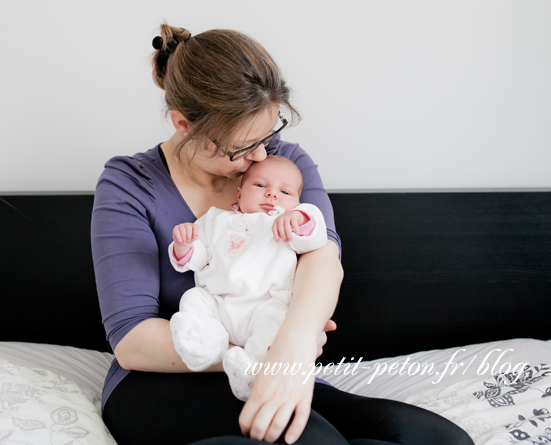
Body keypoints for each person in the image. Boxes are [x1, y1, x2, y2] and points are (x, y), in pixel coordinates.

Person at [91, 23, 473, 445]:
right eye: (241, 148)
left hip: (278, 358)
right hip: (161, 380)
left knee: (438, 439)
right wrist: (265, 359)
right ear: (184, 124)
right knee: (314, 441)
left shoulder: (283, 165)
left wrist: (291, 350)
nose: (261, 156)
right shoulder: (130, 183)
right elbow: (131, 340)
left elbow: (322, 256)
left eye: (269, 134)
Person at [169, 156, 328, 401]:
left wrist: (299, 218)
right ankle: (205, 345)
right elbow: (198, 258)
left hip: (264, 305)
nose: (272, 194)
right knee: (193, 297)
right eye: (261, 186)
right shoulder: (215, 220)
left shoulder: (287, 225)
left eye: (285, 191)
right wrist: (184, 245)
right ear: (240, 194)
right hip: (218, 304)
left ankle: (253, 373)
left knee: (275, 324)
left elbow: (316, 237)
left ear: (297, 201)